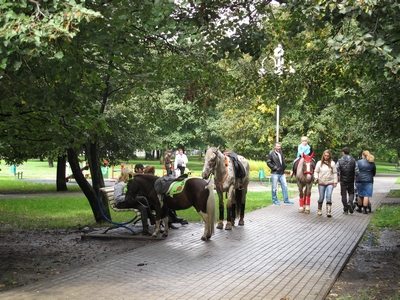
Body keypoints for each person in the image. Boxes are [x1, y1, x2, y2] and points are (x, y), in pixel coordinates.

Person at [143, 164, 188, 229]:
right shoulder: (145, 182)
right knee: (163, 204)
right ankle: (173, 219)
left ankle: (170, 221)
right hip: (150, 201)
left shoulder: (155, 180)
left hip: (155, 199)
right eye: (151, 173)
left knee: (167, 201)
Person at [114, 168, 155, 235]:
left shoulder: (128, 183)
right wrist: (129, 197)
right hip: (121, 203)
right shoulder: (121, 184)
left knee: (143, 208)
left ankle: (145, 229)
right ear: (127, 175)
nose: (133, 175)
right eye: (131, 174)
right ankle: (151, 217)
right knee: (143, 199)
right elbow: (117, 198)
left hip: (128, 201)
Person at [313, 150, 338, 217]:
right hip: (321, 182)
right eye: (325, 155)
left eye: (327, 156)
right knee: (321, 197)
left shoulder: (332, 163)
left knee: (328, 196)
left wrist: (335, 182)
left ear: (329, 156)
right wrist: (316, 178)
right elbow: (316, 171)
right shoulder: (319, 163)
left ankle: (328, 211)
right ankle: (319, 209)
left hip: (330, 182)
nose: (326, 157)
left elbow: (335, 173)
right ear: (323, 156)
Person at [336, 147, 359, 215]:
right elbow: (357, 170)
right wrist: (355, 175)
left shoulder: (340, 160)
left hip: (343, 179)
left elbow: (336, 169)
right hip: (351, 179)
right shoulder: (353, 160)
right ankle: (350, 202)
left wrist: (338, 175)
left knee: (343, 194)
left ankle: (345, 209)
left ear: (343, 152)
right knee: (351, 192)